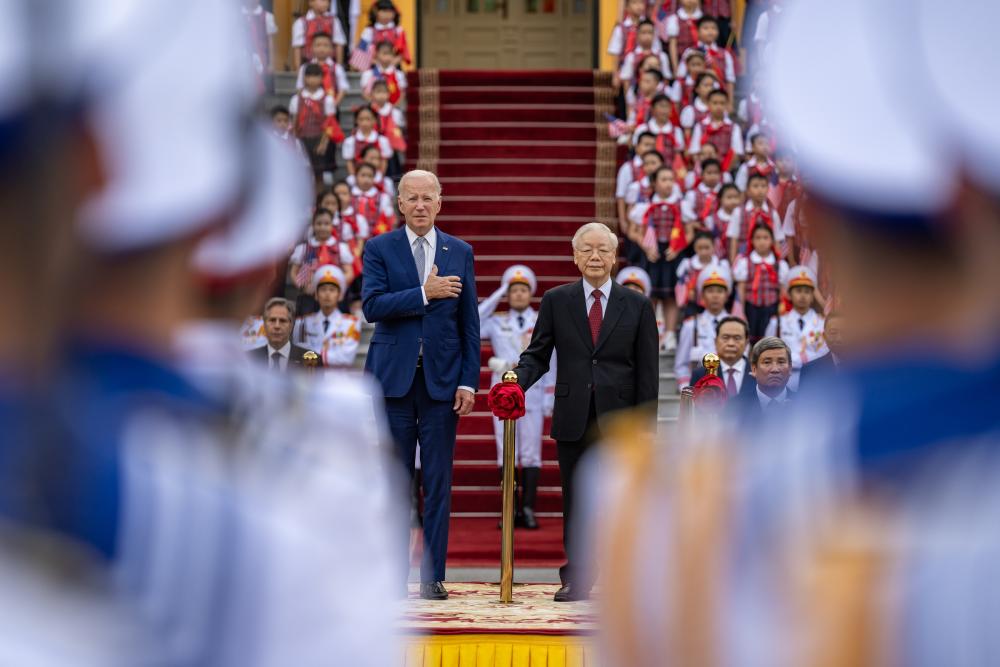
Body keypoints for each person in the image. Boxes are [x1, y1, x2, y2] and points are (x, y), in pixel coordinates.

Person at [514, 222, 659, 601]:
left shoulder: (638, 305)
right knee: (577, 501)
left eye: (603, 250)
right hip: (574, 416)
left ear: (614, 256)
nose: (595, 257)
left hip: (622, 420)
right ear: (575, 256)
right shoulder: (557, 300)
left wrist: (645, 425)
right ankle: (576, 576)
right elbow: (538, 354)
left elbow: (648, 371)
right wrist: (515, 383)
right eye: (587, 250)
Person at [362, 169, 480, 601]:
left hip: (441, 386)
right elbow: (372, 306)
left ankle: (432, 575)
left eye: (427, 197)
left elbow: (470, 323)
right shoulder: (379, 248)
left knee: (438, 482)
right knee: (393, 483)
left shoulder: (459, 251)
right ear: (399, 203)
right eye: (411, 198)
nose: (420, 205)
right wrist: (424, 293)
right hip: (391, 384)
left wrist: (469, 381)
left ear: (440, 202)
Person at [478, 265, 554, 530]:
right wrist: (499, 292)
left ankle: (528, 508)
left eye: (523, 290)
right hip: (502, 393)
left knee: (531, 452)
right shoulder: (497, 320)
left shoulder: (541, 320)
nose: (518, 295)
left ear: (530, 293)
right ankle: (508, 509)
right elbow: (474, 322)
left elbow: (552, 358)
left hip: (532, 392)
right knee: (505, 451)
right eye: (513, 290)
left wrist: (549, 393)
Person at [765, 264, 827, 390]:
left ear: (812, 296)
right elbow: (767, 351)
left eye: (807, 292)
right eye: (798, 291)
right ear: (789, 294)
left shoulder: (822, 323)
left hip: (814, 380)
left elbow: (825, 353)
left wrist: (800, 360)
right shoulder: (777, 323)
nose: (803, 296)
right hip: (783, 382)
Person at [674, 263, 733, 388]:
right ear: (702, 296)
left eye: (720, 291)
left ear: (727, 296)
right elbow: (681, 364)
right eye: (710, 291)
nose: (715, 296)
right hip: (700, 389)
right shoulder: (691, 325)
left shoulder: (735, 325)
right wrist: (687, 388)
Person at [294, 265, 361, 367]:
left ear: (340, 295)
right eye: (323, 289)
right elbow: (300, 355)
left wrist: (316, 354)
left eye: (332, 290)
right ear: (316, 295)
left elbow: (345, 359)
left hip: (338, 380)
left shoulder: (351, 323)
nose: (327, 294)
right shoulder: (302, 323)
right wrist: (330, 355)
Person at [733, 223, 789, 342]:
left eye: (765, 238)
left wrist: (782, 308)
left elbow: (782, 290)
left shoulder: (779, 264)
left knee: (769, 338)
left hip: (772, 307)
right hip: (751, 307)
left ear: (772, 241)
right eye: (758, 238)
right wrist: (741, 311)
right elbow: (741, 288)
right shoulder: (745, 262)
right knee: (751, 338)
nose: (762, 242)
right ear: (752, 241)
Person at [290, 63, 341, 182]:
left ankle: (319, 198)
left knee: (319, 174)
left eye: (316, 76)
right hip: (302, 139)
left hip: (319, 139)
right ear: (304, 78)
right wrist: (294, 141)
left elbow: (329, 123)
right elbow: (294, 121)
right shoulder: (297, 99)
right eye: (309, 76)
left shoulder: (327, 99)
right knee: (304, 173)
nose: (312, 80)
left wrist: (324, 143)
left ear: (322, 78)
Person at [689, 315, 755, 398]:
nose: (731, 343)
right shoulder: (700, 375)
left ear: (746, 343)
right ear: (716, 342)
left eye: (737, 338)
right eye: (725, 337)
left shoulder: (758, 374)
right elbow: (693, 409)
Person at [248, 298, 321, 371]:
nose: (277, 326)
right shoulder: (249, 359)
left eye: (283, 321)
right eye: (272, 320)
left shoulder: (312, 360)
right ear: (264, 324)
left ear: (292, 325)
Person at [733, 335, 793, 417]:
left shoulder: (806, 405)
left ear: (790, 369)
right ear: (754, 369)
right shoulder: (736, 407)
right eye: (767, 362)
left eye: (781, 362)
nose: (775, 369)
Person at [292, 0, 347, 67]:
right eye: (322, 0)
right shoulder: (301, 22)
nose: (326, 4)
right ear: (311, 2)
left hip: (330, 65)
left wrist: (338, 67)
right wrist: (298, 70)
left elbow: (339, 44)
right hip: (309, 66)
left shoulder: (334, 21)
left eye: (328, 1)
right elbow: (297, 47)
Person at [797, 310, 844, 389]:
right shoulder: (810, 371)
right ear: (824, 336)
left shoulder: (865, 368)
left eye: (845, 332)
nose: (839, 338)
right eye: (833, 332)